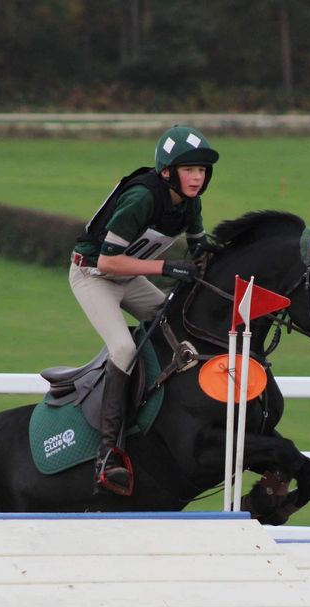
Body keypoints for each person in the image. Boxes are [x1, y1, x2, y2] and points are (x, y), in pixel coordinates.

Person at [69, 124, 219, 496]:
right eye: (190, 170)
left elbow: (202, 251)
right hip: (93, 275)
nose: (197, 178)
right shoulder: (142, 198)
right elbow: (107, 263)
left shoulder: (189, 203)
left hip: (127, 276)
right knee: (123, 348)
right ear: (168, 172)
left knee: (178, 326)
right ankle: (108, 454)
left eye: (202, 170)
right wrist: (167, 268)